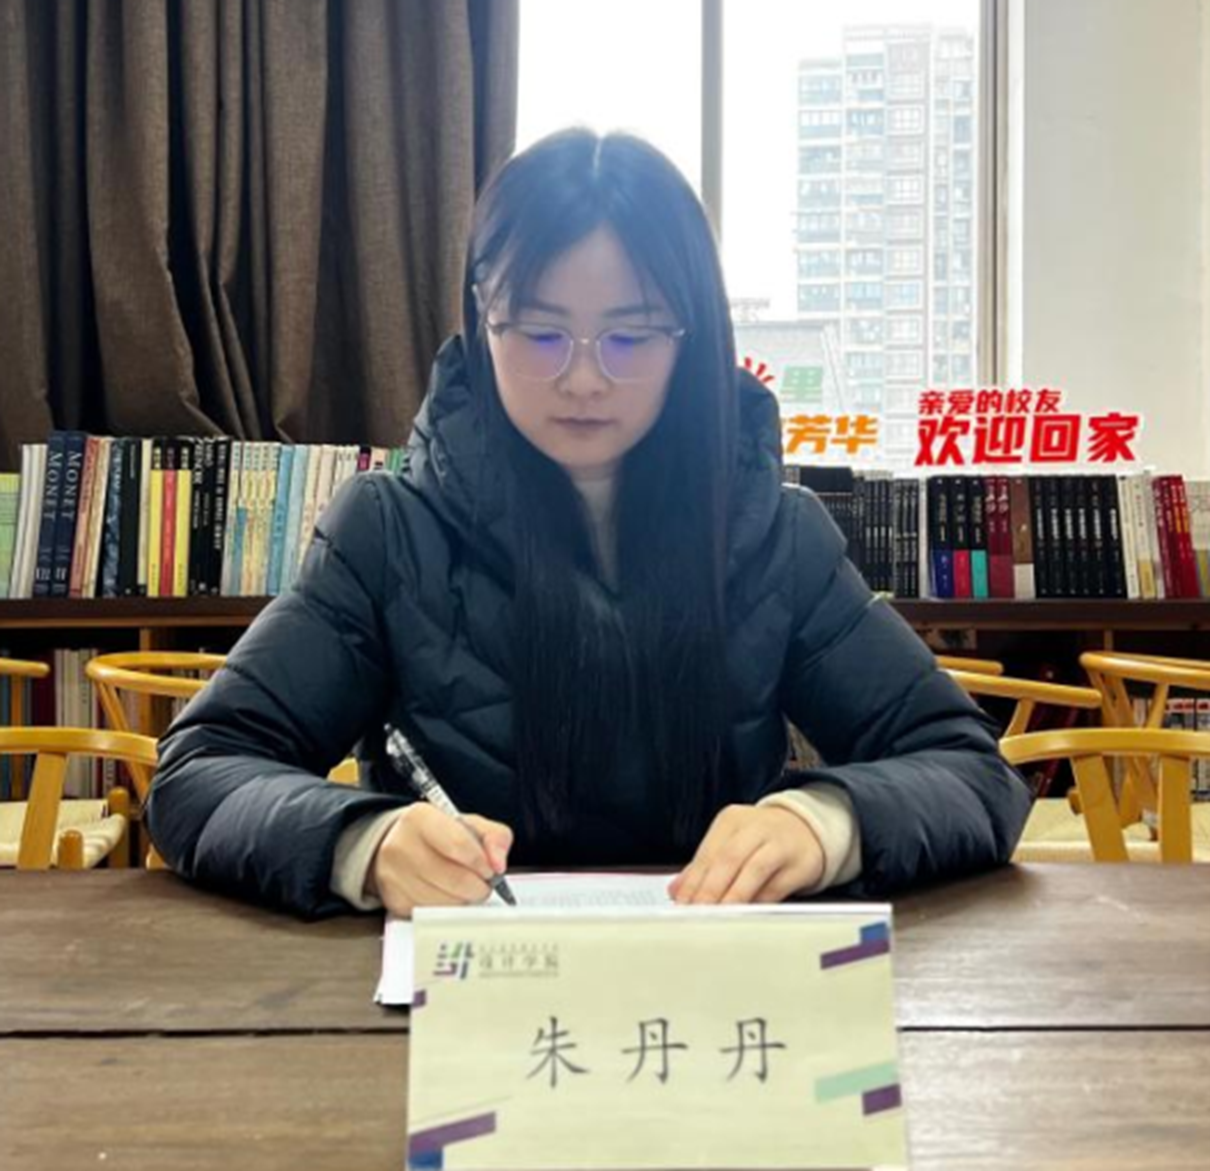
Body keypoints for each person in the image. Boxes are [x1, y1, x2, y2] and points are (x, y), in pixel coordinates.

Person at [146, 129, 1031, 919]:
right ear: (481, 318)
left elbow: (971, 767)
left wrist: (823, 822)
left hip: (719, 999)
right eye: (538, 333)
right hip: (464, 1004)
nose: (581, 378)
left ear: (690, 336)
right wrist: (364, 844)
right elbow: (198, 769)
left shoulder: (774, 534)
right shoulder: (389, 533)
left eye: (630, 337)